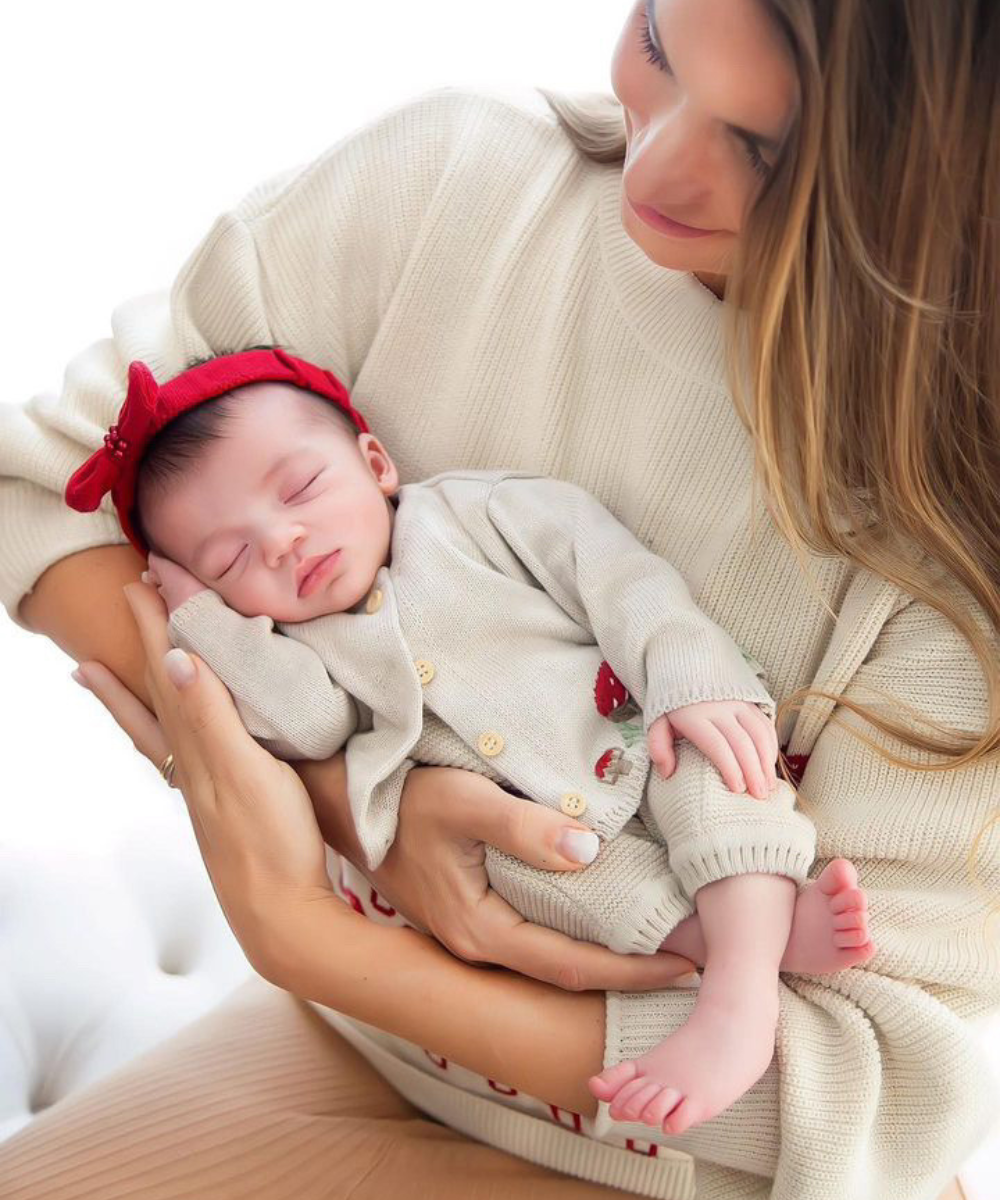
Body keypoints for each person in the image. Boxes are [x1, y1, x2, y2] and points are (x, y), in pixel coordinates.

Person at [0, 0, 996, 1195]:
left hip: (679, 1160)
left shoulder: (947, 536)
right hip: (359, 1053)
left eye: (764, 150)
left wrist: (313, 937)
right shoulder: (447, 184)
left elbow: (885, 1100)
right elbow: (41, 487)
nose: (660, 162)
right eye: (661, 48)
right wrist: (348, 801)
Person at [63, 343, 875, 1135]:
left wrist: (686, 679)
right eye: (230, 556)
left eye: (302, 488)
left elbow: (616, 576)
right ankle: (748, 938)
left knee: (721, 764)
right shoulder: (302, 647)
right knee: (545, 883)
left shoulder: (476, 513)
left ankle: (737, 995)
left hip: (633, 725)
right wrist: (207, 622)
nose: (281, 543)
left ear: (375, 463)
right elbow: (306, 727)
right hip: (528, 826)